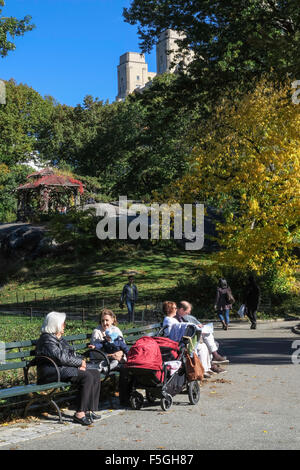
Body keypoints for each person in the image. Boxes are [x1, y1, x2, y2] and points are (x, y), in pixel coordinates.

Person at [35, 311, 101, 426]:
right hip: (50, 372)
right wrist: (79, 363)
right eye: (62, 323)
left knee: (95, 373)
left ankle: (89, 410)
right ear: (55, 325)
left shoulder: (59, 338)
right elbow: (61, 358)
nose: (65, 325)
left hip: (60, 368)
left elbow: (70, 354)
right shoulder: (46, 340)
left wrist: (81, 362)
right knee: (86, 377)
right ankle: (80, 414)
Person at [162, 301, 215, 377]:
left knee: (202, 346)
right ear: (170, 309)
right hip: (175, 343)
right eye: (175, 308)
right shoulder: (169, 320)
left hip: (178, 341)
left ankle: (205, 368)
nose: (176, 309)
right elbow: (172, 334)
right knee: (200, 347)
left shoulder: (171, 319)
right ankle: (202, 370)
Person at [176, 301, 229, 373]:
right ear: (182, 310)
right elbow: (181, 331)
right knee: (203, 345)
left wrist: (200, 327)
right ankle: (211, 363)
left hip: (192, 337)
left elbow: (195, 325)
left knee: (207, 335)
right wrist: (196, 328)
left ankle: (212, 361)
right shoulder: (175, 318)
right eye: (187, 312)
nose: (188, 314)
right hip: (185, 341)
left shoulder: (186, 317)